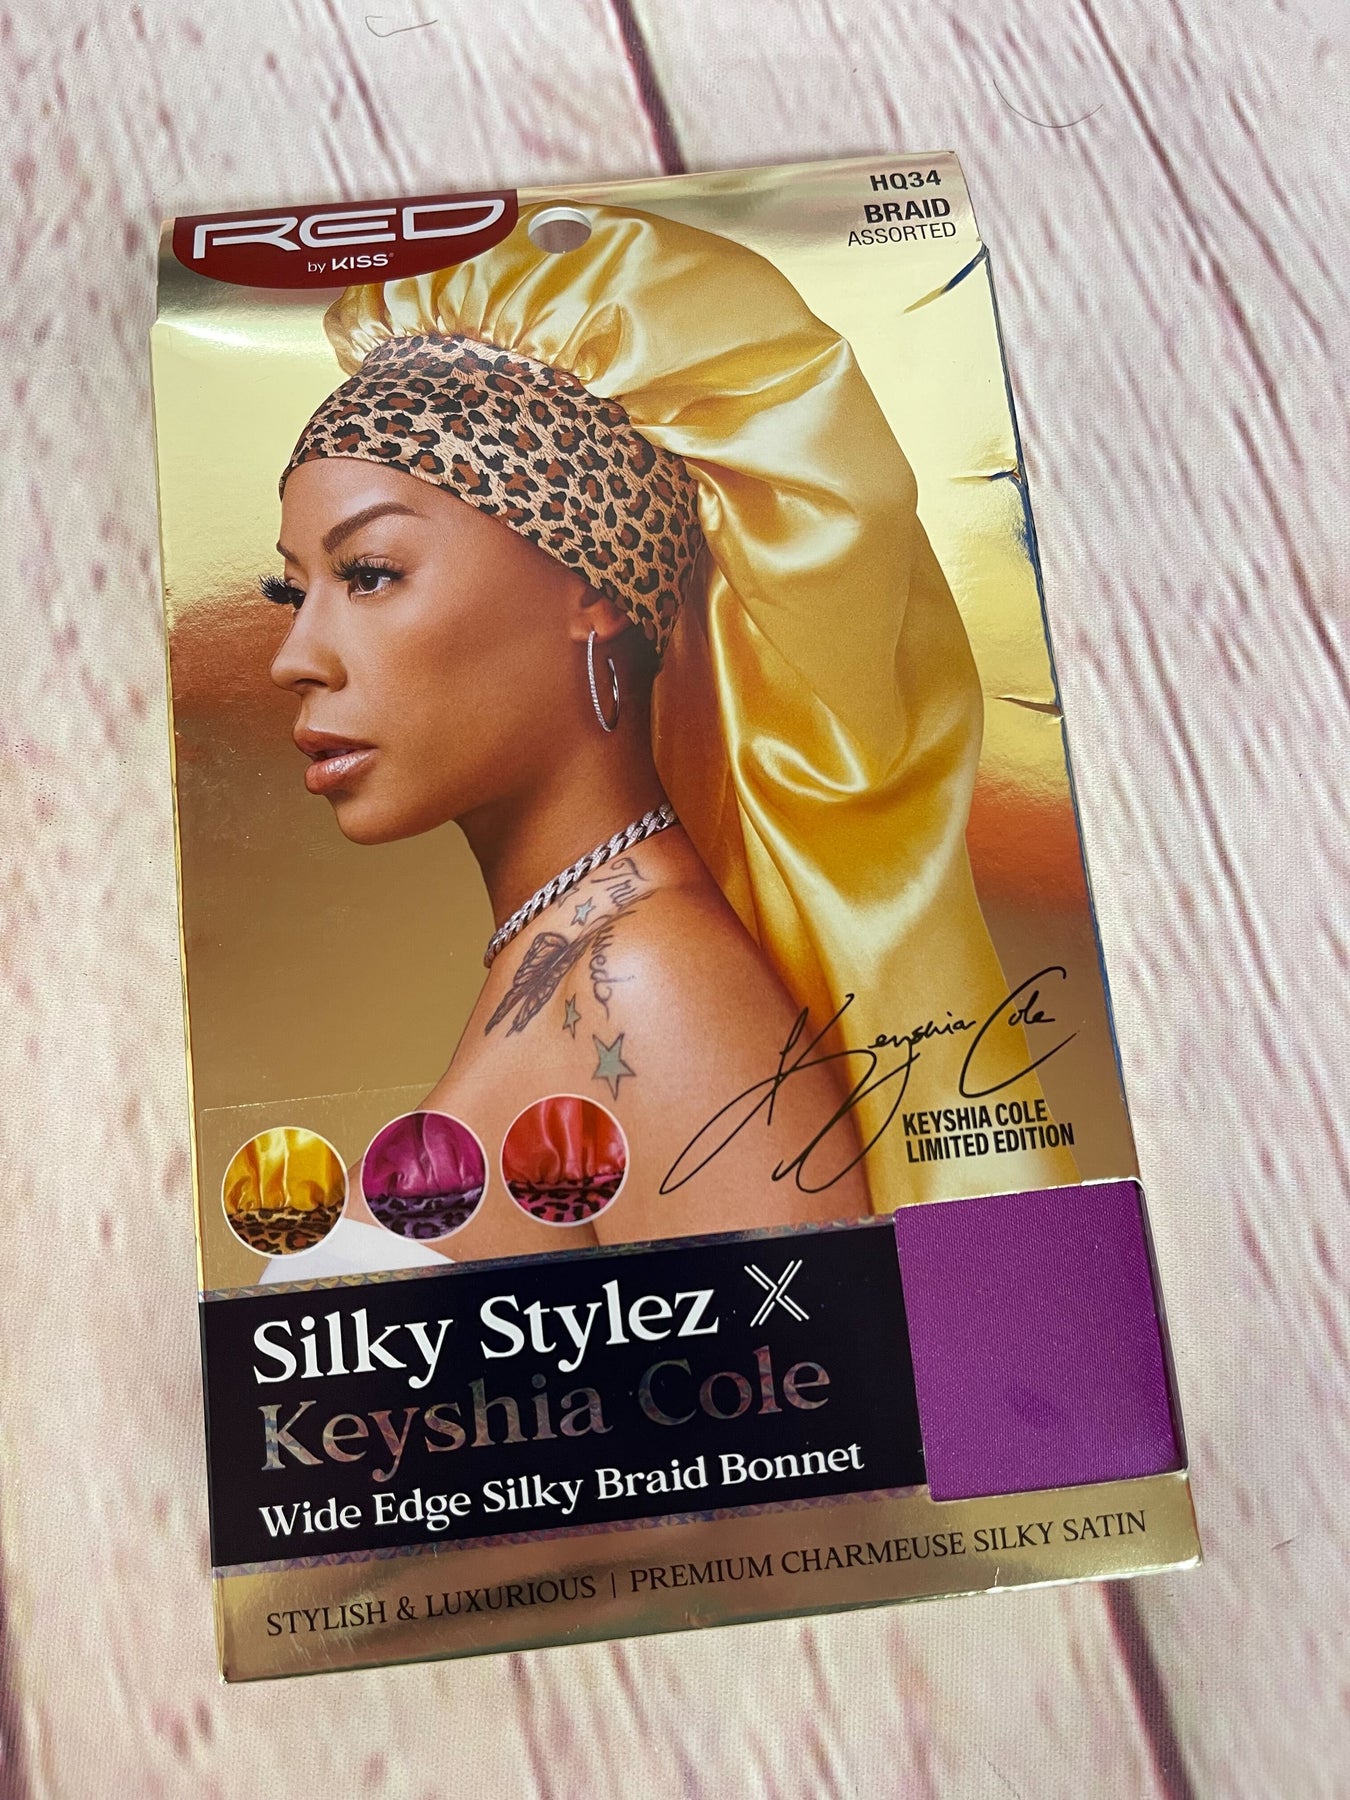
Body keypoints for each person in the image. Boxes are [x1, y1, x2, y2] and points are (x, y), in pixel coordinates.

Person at [259, 201, 1078, 1273]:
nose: (295, 657)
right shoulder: (575, 958)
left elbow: (813, 1384)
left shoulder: (648, 988)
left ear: (592, 591)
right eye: (291, 591)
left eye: (369, 574)